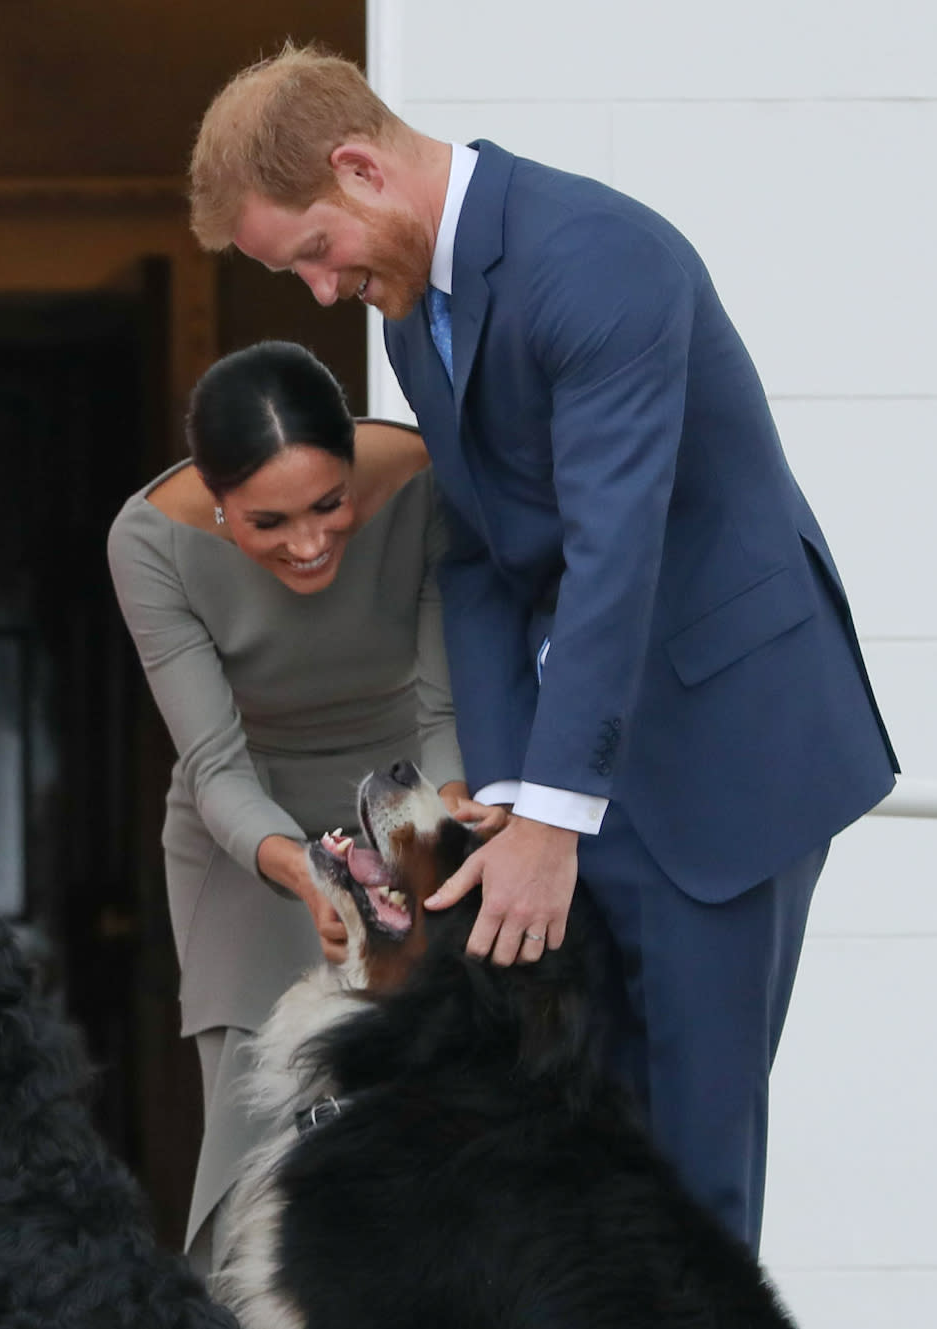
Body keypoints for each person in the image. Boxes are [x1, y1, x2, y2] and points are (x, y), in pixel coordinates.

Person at [186, 44, 899, 1252]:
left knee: (680, 1176)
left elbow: (616, 552)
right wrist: (510, 799)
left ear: (358, 169)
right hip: (573, 768)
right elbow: (483, 559)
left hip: (724, 752)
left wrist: (552, 821)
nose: (316, 292)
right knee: (565, 1152)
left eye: (309, 252)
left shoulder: (599, 257)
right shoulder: (416, 308)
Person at [107, 339, 503, 1273]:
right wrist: (309, 874)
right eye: (269, 521)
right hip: (249, 837)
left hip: (407, 799)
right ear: (215, 499)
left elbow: (444, 710)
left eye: (331, 504)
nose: (310, 541)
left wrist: (436, 832)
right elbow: (214, 767)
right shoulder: (148, 542)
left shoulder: (426, 481)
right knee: (258, 1150)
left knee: (430, 1118)